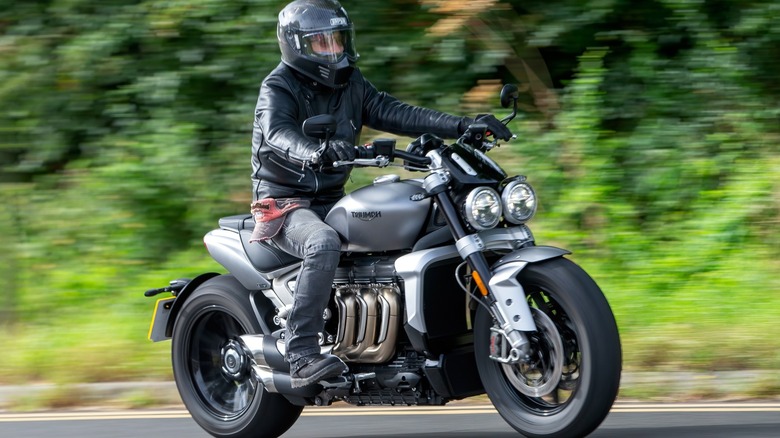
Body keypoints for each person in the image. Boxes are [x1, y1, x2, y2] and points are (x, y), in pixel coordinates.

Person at [250, 0, 512, 388]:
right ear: (298, 46)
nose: (333, 50)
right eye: (322, 43)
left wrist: (463, 125)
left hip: (332, 198)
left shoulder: (350, 83)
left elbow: (396, 112)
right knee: (321, 242)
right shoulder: (278, 86)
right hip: (285, 204)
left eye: (338, 40)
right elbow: (277, 134)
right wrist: (315, 151)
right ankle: (301, 351)